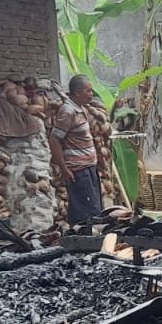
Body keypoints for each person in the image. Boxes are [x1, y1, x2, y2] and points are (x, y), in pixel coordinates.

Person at [48, 74, 102, 226]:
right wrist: (64, 168)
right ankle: (84, 238)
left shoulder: (81, 109)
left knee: (93, 209)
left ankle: (87, 237)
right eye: (88, 91)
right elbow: (54, 139)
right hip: (79, 170)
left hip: (89, 168)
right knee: (86, 214)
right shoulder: (68, 111)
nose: (91, 94)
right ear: (77, 93)